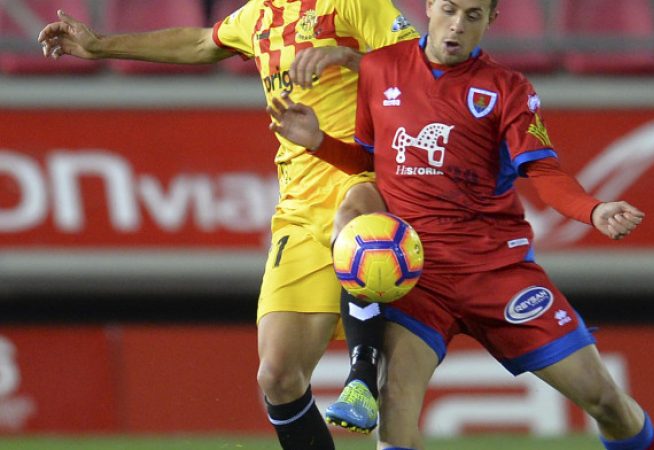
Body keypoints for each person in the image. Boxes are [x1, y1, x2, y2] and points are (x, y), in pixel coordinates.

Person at [265, 0, 654, 449]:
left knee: (605, 400)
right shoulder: (379, 70)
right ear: (430, 7)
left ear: (490, 21)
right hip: (418, 277)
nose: (457, 25)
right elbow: (375, 161)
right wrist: (320, 142)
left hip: (496, 273)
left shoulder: (508, 88)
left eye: (473, 15)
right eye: (449, 10)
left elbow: (545, 173)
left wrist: (592, 210)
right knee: (395, 411)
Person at [38, 1, 419, 447]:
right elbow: (201, 42)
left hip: (367, 179)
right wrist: (101, 45)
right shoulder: (256, 15)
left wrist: (350, 58)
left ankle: (361, 376)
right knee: (277, 376)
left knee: (356, 230)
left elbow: (417, 73)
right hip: (298, 209)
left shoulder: (353, 3)